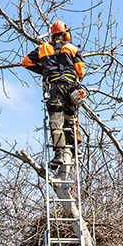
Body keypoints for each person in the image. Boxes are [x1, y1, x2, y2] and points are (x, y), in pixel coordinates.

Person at [21, 20, 86, 168]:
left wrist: (44, 70)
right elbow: (80, 70)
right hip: (70, 87)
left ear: (52, 35)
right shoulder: (72, 49)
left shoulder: (43, 48)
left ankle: (58, 153)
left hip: (53, 87)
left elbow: (26, 62)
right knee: (70, 117)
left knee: (56, 120)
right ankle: (76, 147)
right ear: (66, 34)